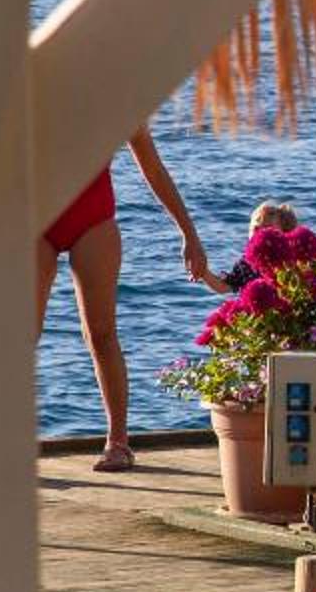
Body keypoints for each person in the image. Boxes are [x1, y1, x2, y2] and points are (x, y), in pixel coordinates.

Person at [40, 128, 220, 472]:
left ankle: (118, 442)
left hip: (92, 219)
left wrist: (189, 234)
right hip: (36, 220)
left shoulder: (114, 102)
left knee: (101, 333)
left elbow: (152, 167)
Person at [221, 201, 302, 290]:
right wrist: (208, 274)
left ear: (285, 232)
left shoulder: (293, 261)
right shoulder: (246, 263)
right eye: (256, 228)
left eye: (267, 229)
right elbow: (224, 287)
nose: (260, 234)